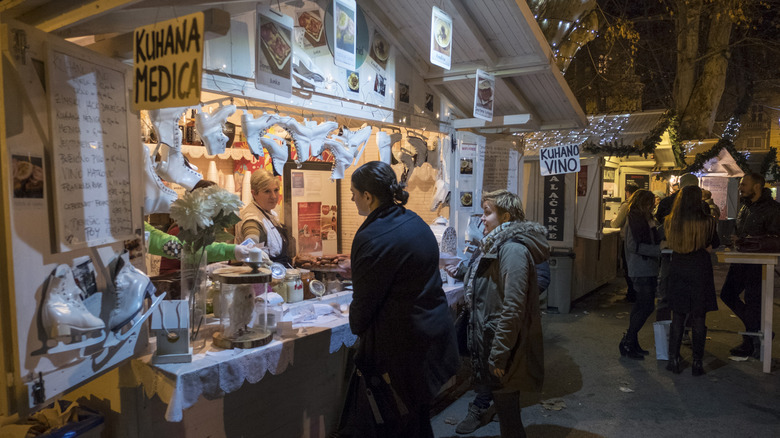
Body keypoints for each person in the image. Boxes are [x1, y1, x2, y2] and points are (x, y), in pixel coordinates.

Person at [343, 161, 458, 437]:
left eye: (353, 193)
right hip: (432, 339)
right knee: (417, 421)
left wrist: (354, 319)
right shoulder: (415, 221)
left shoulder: (371, 236)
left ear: (368, 196)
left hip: (401, 351)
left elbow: (363, 310)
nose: (352, 198)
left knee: (399, 425)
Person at [443, 200, 549, 436]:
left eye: (488, 213)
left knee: (509, 416)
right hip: (493, 337)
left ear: (506, 216)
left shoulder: (512, 249)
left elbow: (512, 307)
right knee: (506, 410)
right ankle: (485, 408)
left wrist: (499, 355)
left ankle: (482, 409)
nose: (481, 218)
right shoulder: (494, 243)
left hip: (502, 343)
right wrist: (461, 270)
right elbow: (486, 274)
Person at [720, 173, 780, 357]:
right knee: (727, 294)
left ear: (757, 187)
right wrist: (736, 241)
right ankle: (757, 331)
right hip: (740, 260)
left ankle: (751, 341)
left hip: (758, 263)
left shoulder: (772, 209)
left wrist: (747, 241)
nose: (740, 188)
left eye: (744, 184)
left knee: (754, 302)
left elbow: (775, 239)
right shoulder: (745, 206)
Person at [664, 186, 720, 375]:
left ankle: (673, 359)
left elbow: (667, 241)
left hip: (678, 266)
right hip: (700, 268)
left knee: (678, 316)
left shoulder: (671, 221)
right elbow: (716, 242)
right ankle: (697, 362)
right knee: (699, 316)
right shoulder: (708, 222)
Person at [618, 190, 661, 360]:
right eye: (651, 202)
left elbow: (653, 236)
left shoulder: (647, 219)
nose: (654, 204)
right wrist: (657, 251)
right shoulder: (634, 219)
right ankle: (628, 341)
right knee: (647, 305)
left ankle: (632, 343)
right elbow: (632, 246)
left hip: (648, 267)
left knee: (640, 306)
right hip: (640, 267)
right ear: (644, 203)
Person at [654, 173, 700, 321]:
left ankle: (664, 331)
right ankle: (685, 329)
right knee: (689, 296)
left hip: (670, 251)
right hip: (693, 255)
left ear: (680, 185)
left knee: (665, 292)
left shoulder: (667, 203)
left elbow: (659, 225)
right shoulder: (700, 205)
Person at [234, 168, 294, 266]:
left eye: (276, 190)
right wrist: (251, 248)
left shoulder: (270, 212)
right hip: (264, 276)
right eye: (267, 191)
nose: (274, 196)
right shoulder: (252, 219)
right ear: (254, 193)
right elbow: (251, 235)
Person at [611, 182, 640, 302]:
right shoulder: (639, 205)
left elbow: (617, 223)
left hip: (627, 239)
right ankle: (636, 292)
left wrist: (613, 220)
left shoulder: (627, 205)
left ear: (627, 192)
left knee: (628, 267)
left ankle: (631, 293)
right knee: (634, 267)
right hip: (638, 240)